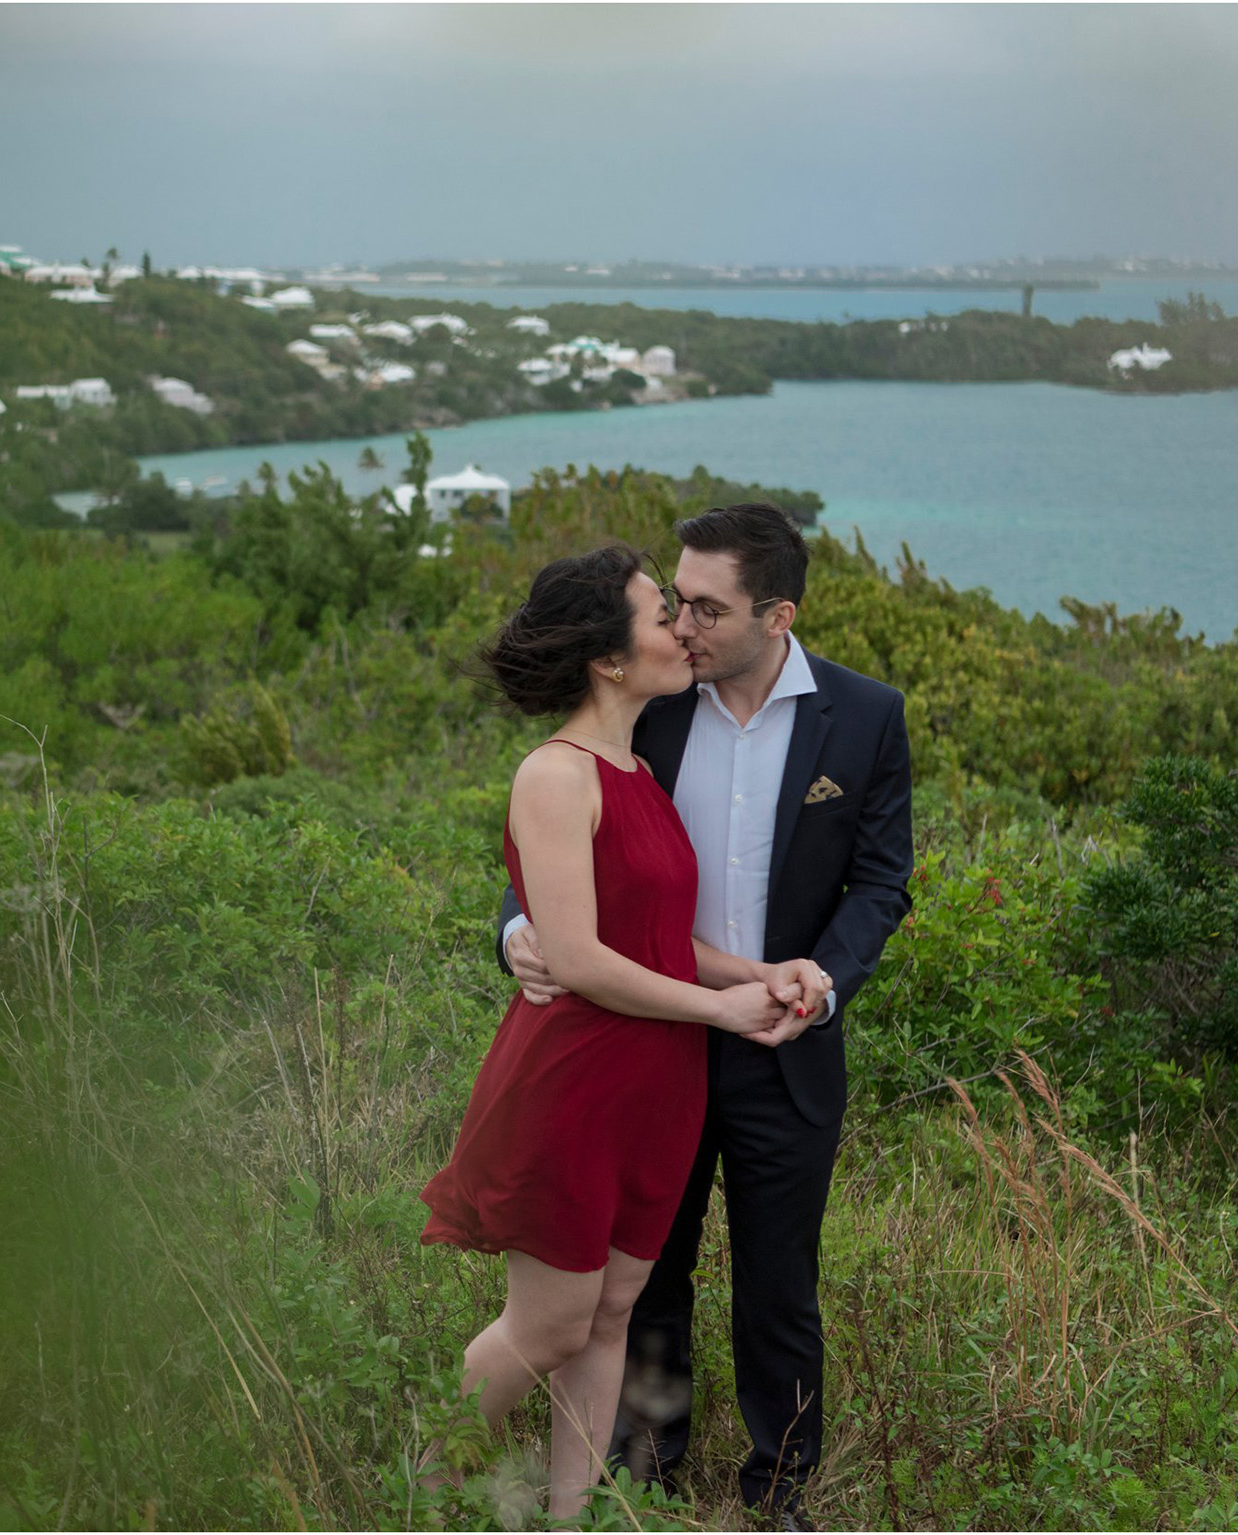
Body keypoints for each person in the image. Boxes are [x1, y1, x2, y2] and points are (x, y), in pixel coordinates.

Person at [497, 504, 915, 1529]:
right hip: (650, 1043)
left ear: (775, 614)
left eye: (705, 606)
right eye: (674, 599)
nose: (681, 623)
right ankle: (643, 1465)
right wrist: (511, 928)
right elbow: (557, 835)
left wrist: (817, 979)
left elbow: (879, 880)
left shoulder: (862, 716)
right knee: (641, 1281)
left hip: (782, 1040)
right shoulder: (655, 701)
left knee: (780, 1282)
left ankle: (777, 1492)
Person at [421, 544, 830, 1522]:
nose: (681, 630)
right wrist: (720, 1010)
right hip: (575, 1080)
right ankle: (421, 1479)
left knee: (609, 1317)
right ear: (609, 658)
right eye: (660, 614)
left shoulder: (638, 766)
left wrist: (756, 974)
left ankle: (574, 1513)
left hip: (658, 1082)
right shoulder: (555, 774)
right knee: (549, 1322)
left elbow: (658, 941)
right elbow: (576, 955)